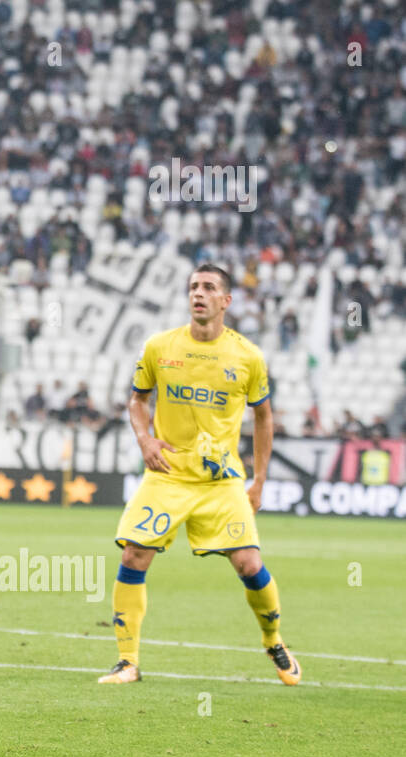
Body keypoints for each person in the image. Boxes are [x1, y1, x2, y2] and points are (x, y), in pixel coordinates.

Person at [99, 263, 299, 686]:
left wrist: (259, 480)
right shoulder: (159, 346)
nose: (199, 293)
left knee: (248, 561)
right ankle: (127, 661)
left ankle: (273, 639)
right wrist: (145, 440)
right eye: (193, 287)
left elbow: (264, 418)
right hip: (168, 472)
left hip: (221, 479)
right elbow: (136, 401)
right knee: (134, 553)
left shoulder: (247, 356)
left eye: (209, 287)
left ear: (226, 301)